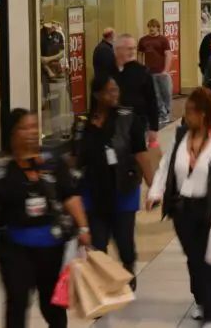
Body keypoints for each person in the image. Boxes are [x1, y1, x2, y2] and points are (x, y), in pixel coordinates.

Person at [0, 109, 90, 328]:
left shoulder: (52, 161)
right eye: (24, 127)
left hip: (52, 246)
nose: (31, 132)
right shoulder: (0, 167)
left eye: (34, 127)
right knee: (17, 300)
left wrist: (84, 227)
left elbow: (69, 196)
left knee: (52, 302)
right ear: (12, 133)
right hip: (14, 247)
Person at [148, 88, 211, 328]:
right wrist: (155, 192)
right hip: (183, 209)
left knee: (210, 260)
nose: (186, 116)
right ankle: (200, 299)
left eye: (191, 112)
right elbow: (166, 165)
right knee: (193, 258)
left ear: (205, 114)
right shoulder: (180, 136)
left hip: (210, 207)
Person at [71, 75, 154, 288]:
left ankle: (128, 270)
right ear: (97, 94)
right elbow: (75, 159)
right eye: (109, 91)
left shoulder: (128, 118)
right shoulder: (83, 124)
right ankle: (102, 283)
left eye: (116, 90)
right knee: (98, 243)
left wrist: (153, 186)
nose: (114, 94)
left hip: (122, 189)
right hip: (93, 191)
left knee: (124, 241)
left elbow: (140, 154)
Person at [112, 33, 160, 147]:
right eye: (129, 49)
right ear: (117, 50)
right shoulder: (109, 72)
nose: (132, 52)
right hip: (113, 125)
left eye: (134, 48)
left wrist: (153, 128)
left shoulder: (142, 72)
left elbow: (152, 101)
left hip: (137, 125)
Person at [138, 18, 174, 125]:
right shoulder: (143, 40)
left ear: (158, 28)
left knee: (166, 93)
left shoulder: (163, 40)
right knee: (156, 95)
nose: (151, 29)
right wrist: (141, 68)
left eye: (153, 27)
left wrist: (166, 70)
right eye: (150, 27)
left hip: (161, 71)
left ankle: (166, 113)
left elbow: (168, 54)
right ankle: (162, 114)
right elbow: (140, 55)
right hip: (149, 71)